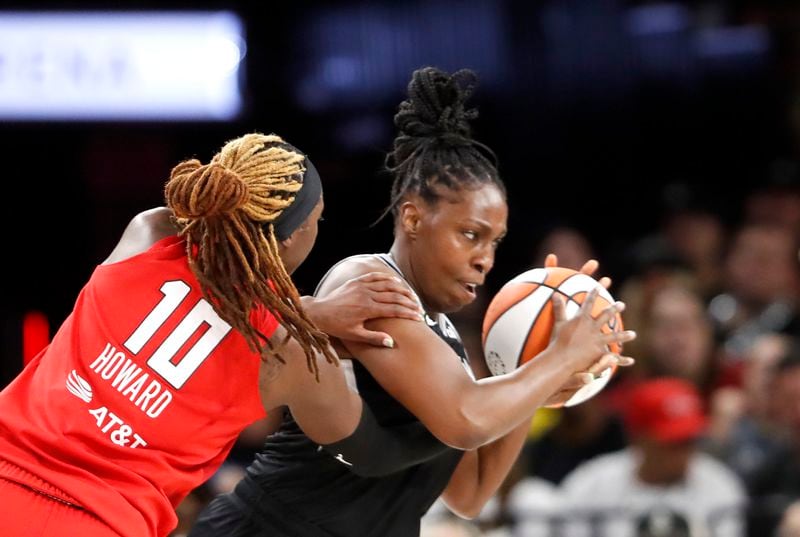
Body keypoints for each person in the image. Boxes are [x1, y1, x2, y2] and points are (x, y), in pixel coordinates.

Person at [189, 67, 635, 537]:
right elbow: (464, 420)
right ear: (413, 217)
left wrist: (533, 372)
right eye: (470, 235)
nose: (485, 259)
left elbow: (471, 493)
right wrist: (557, 361)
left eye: (495, 242)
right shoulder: (371, 284)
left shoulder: (448, 348)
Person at [0, 132, 438, 537]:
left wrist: (309, 313)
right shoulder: (287, 346)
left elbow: (205, 275)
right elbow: (373, 456)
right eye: (318, 219)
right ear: (292, 238)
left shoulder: (147, 233)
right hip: (100, 522)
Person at [559, 377, 746, 537]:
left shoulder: (720, 485)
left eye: (689, 440)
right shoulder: (592, 484)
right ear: (638, 438)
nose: (684, 453)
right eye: (673, 443)